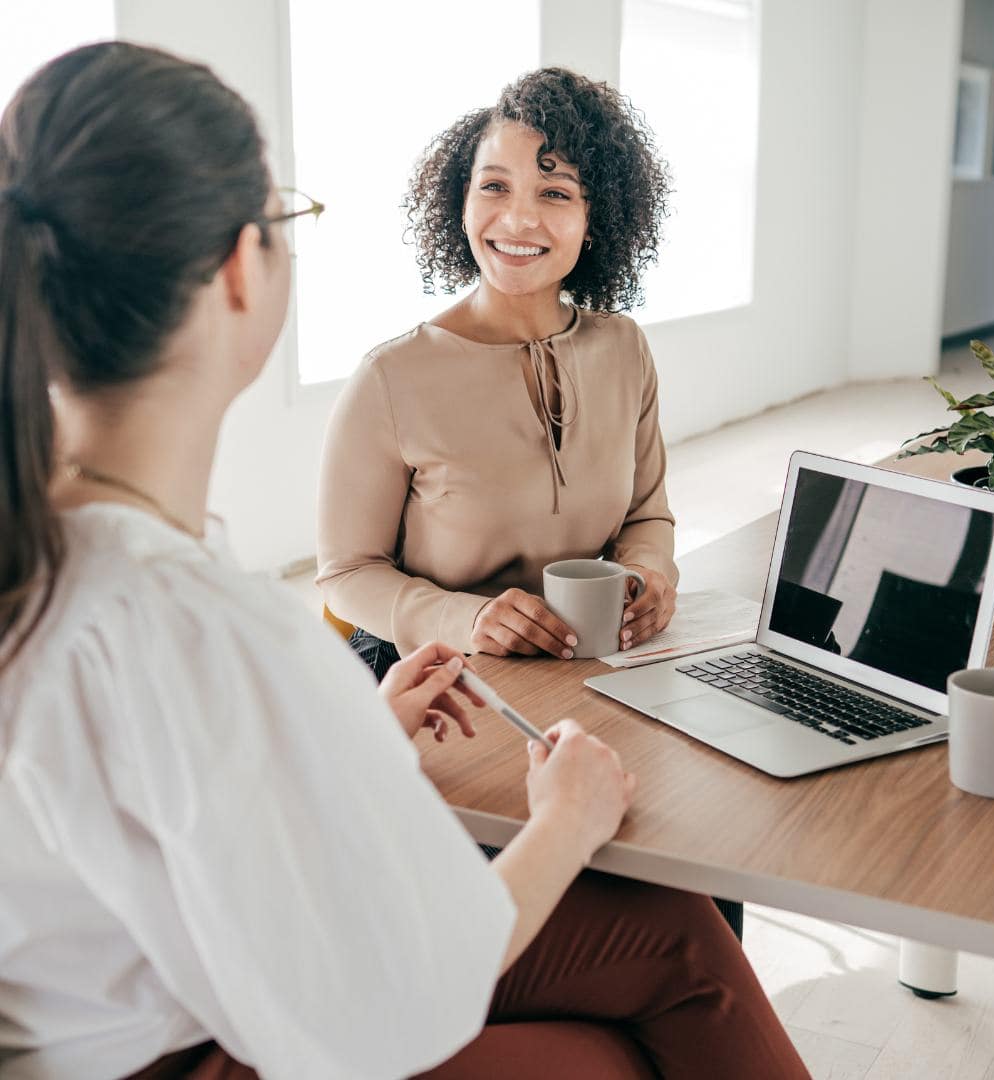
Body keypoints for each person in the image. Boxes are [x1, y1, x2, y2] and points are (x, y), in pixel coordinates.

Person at [0, 43, 809, 1078]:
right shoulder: (200, 618)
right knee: (641, 1024)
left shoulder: (78, 562)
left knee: (676, 940)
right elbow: (393, 1001)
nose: (518, 217)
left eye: (553, 192)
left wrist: (355, 742)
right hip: (206, 1047)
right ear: (245, 266)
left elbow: (172, 810)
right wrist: (566, 820)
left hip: (175, 1002)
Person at [316, 68, 679, 681]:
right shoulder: (390, 377)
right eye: (494, 187)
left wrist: (651, 576)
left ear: (597, 219)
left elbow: (646, 514)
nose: (516, 221)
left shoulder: (623, 348)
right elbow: (347, 575)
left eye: (555, 193)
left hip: (578, 664)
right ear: (461, 202)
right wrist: (468, 619)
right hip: (426, 674)